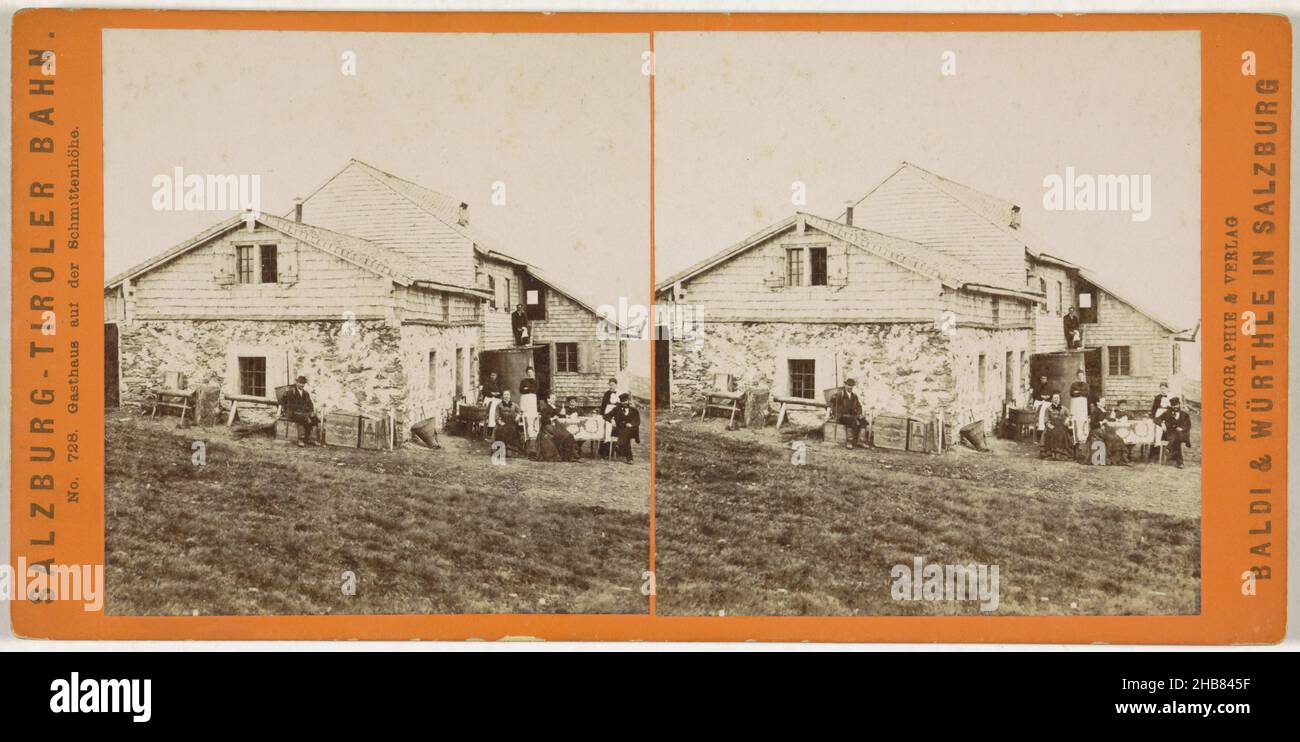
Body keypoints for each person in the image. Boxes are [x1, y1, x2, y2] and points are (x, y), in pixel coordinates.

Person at [281, 375, 320, 447]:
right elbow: (284, 402)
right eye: (300, 383)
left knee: (314, 418)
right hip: (292, 412)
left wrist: (311, 412)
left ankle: (308, 439)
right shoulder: (291, 391)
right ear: (297, 383)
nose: (302, 385)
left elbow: (310, 403)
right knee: (303, 418)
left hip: (304, 413)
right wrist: (285, 393)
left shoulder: (306, 393)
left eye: (303, 383)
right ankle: (300, 440)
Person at [831, 378, 867, 449]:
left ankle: (861, 441)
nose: (850, 387)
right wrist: (834, 397)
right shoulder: (840, 394)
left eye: (851, 386)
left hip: (852, 415)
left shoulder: (854, 396)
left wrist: (860, 414)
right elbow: (833, 402)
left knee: (864, 421)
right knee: (851, 420)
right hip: (841, 416)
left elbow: (859, 406)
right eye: (848, 385)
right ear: (845, 385)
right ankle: (849, 441)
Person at [604, 393, 640, 464]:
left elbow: (637, 421)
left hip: (631, 430)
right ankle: (629, 458)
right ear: (620, 401)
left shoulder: (634, 410)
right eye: (623, 401)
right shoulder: (616, 409)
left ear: (628, 401)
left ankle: (619, 444)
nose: (624, 402)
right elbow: (606, 416)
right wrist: (611, 420)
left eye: (626, 401)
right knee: (626, 436)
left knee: (626, 431)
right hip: (619, 429)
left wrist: (631, 424)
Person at [1039, 393, 1073, 460]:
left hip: (1061, 426)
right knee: (1052, 433)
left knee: (1063, 434)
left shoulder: (1063, 408)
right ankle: (1051, 454)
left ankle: (1060, 454)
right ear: (1051, 400)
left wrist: (1067, 420)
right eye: (1054, 398)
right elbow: (1046, 420)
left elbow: (1070, 415)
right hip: (1051, 426)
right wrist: (1050, 426)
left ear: (1059, 400)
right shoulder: (1048, 409)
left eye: (1057, 398)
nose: (1056, 399)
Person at [1163, 397, 1193, 468]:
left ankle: (1169, 448)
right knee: (1177, 440)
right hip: (1171, 434)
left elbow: (1188, 426)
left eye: (1176, 405)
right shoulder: (1168, 413)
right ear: (1171, 406)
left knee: (1178, 436)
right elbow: (1156, 419)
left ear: (1179, 404)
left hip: (1182, 433)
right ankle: (1180, 462)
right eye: (1173, 405)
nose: (1175, 407)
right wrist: (1162, 423)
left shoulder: (1185, 414)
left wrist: (1182, 429)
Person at [1148, 382, 1172, 461]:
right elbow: (1154, 408)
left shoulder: (1170, 397)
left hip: (1168, 415)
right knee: (1157, 431)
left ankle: (1168, 452)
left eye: (1164, 388)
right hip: (1159, 414)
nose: (1163, 390)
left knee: (1167, 431)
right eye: (1161, 388)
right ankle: (1155, 452)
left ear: (1167, 389)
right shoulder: (1157, 397)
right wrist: (1152, 416)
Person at [1068, 369, 1090, 442]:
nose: (1080, 377)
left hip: (1083, 403)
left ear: (1083, 376)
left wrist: (1078, 392)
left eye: (1082, 375)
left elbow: (1087, 394)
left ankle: (1083, 436)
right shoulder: (1073, 384)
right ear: (1077, 376)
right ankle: (1076, 436)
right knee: (1075, 417)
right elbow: (1072, 393)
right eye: (1079, 375)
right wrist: (1081, 393)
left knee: (1082, 418)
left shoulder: (1086, 385)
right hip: (1075, 403)